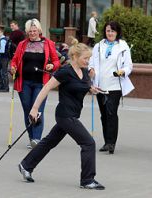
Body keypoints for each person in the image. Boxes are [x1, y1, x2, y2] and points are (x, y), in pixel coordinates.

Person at [18, 38, 105, 190]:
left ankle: (26, 165)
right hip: (65, 115)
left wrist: (92, 88)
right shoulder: (65, 71)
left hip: (73, 114)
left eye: (89, 58)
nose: (87, 61)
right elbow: (46, 88)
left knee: (48, 142)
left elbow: (83, 85)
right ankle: (87, 180)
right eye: (85, 58)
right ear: (75, 57)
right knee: (88, 143)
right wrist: (34, 108)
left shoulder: (84, 72)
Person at [11, 19, 60, 149]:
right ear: (27, 32)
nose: (32, 33)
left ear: (39, 30)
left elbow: (56, 61)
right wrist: (13, 67)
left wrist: (52, 65)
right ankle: (31, 138)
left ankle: (37, 139)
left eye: (35, 31)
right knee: (28, 111)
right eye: (30, 31)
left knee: (37, 110)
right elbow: (14, 61)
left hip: (41, 83)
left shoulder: (48, 43)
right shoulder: (22, 44)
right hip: (24, 82)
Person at [89, 21, 134, 154]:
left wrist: (123, 71)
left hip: (115, 85)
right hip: (100, 85)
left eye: (113, 31)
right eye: (108, 31)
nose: (110, 33)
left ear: (117, 32)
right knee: (103, 114)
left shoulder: (123, 46)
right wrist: (90, 69)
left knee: (111, 112)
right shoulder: (98, 46)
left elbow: (129, 65)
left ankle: (111, 143)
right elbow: (92, 62)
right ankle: (106, 141)